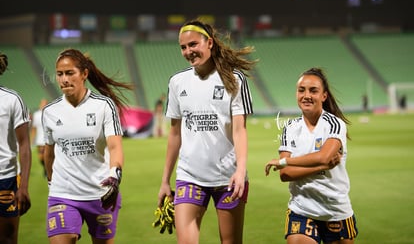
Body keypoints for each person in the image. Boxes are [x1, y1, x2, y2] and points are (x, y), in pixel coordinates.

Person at [157, 19, 257, 244]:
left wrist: (240, 171)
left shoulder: (234, 79)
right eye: (183, 47)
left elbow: (240, 130)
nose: (188, 51)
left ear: (209, 42)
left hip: (228, 178)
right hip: (189, 176)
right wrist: (165, 180)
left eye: (193, 44)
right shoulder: (177, 82)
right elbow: (174, 135)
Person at [42, 48, 133, 244]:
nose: (64, 79)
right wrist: (52, 183)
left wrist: (115, 176)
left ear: (84, 74)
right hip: (62, 194)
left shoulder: (104, 106)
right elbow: (49, 153)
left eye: (69, 73)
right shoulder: (50, 111)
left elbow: (115, 146)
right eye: (60, 74)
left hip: (100, 194)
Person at [265, 67, 358, 244]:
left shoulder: (334, 124)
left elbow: (323, 156)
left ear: (324, 96)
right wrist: (322, 167)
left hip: (335, 210)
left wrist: (285, 161)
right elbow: (285, 174)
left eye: (313, 90)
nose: (306, 95)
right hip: (301, 209)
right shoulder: (290, 128)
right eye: (301, 90)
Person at [0, 52, 32, 244]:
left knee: (8, 239)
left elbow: (25, 145)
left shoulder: (12, 99)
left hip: (7, 179)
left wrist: (24, 186)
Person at [30, 98, 48, 177]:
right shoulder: (36, 114)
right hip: (39, 139)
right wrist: (32, 138)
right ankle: (45, 167)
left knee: (46, 154)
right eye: (43, 103)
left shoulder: (50, 113)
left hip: (48, 138)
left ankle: (47, 169)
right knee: (41, 156)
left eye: (45, 103)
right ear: (40, 104)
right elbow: (34, 127)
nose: (44, 105)